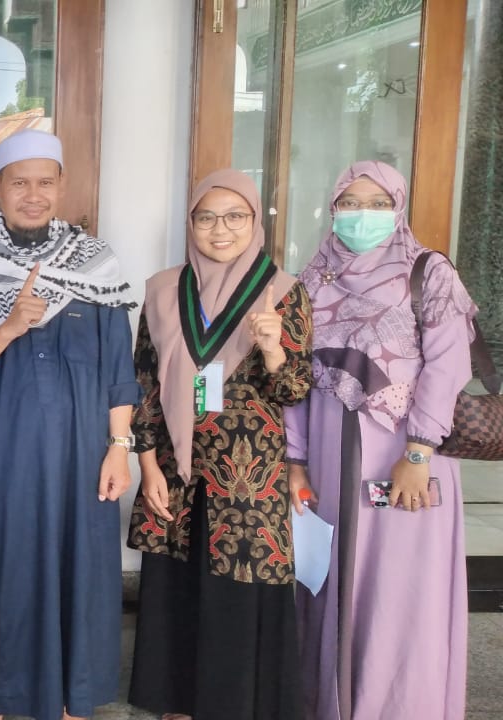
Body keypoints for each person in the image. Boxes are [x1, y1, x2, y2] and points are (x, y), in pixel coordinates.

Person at [0, 129, 140, 720]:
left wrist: (120, 447)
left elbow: (119, 370)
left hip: (80, 462)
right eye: (20, 182)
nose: (33, 195)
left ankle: (71, 698)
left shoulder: (97, 266)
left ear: (62, 187)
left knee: (80, 574)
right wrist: (9, 327)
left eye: (45, 182)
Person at [285, 161, 475, 720]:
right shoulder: (313, 277)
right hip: (327, 449)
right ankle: (334, 703)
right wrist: (296, 459)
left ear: (398, 208)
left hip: (404, 452)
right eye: (350, 202)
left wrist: (419, 452)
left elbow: (447, 365)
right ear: (332, 209)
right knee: (332, 574)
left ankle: (398, 705)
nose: (361, 214)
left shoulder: (428, 272)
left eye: (377, 203)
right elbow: (295, 377)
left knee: (398, 584)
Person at [125, 169, 311, 720]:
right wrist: (147, 466)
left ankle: (233, 704)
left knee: (239, 587)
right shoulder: (163, 289)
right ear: (191, 223)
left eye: (235, 216)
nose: (220, 228)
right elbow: (143, 381)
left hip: (247, 473)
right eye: (206, 217)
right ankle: (179, 700)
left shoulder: (283, 291)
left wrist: (273, 349)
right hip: (176, 469)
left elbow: (295, 389)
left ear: (255, 222)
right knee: (178, 585)